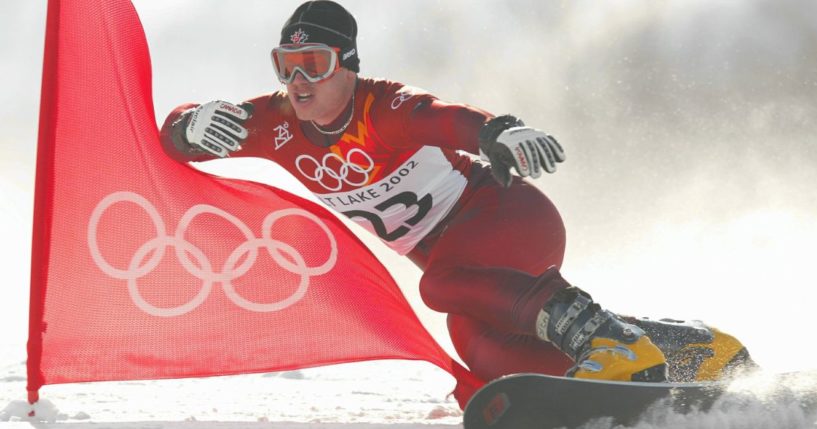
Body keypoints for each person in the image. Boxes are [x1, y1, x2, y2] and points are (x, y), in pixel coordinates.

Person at [160, 0, 755, 384]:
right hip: (470, 264)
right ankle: (684, 353)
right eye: (284, 64)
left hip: (506, 219)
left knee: (439, 285)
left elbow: (443, 116)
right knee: (486, 355)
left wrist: (498, 130)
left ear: (348, 64)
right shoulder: (275, 122)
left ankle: (615, 342)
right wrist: (189, 124)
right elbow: (171, 138)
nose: (296, 81)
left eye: (312, 63)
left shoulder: (382, 104)